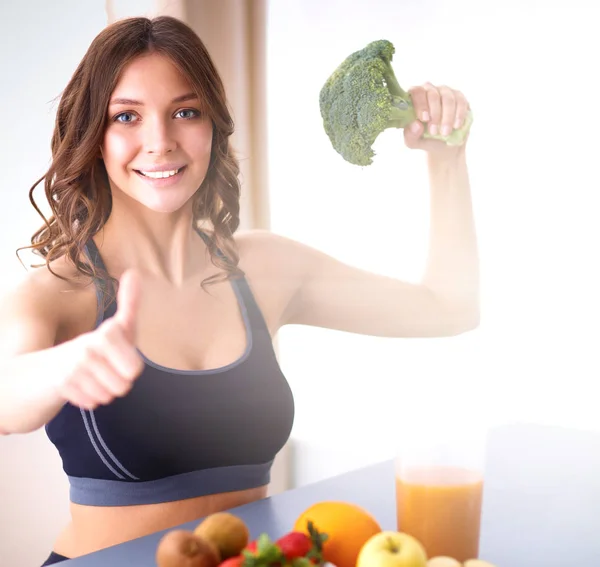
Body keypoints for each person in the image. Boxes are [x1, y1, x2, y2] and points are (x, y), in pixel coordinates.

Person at [0, 15, 479, 567]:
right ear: (94, 137)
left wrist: (447, 161)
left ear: (213, 126)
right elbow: (8, 399)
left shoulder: (266, 267)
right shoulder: (59, 294)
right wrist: (63, 366)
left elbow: (449, 306)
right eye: (126, 116)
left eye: (185, 111)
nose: (160, 141)